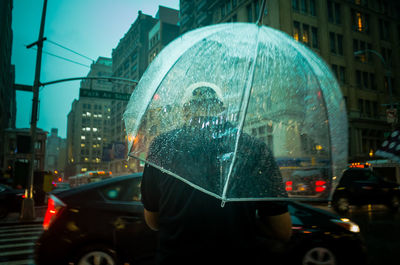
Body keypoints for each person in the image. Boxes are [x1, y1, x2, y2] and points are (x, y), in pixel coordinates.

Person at [141, 85, 292, 265]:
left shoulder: (162, 147)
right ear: (222, 109)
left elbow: (153, 221)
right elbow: (282, 230)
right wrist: (244, 222)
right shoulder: (252, 148)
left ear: (185, 110)